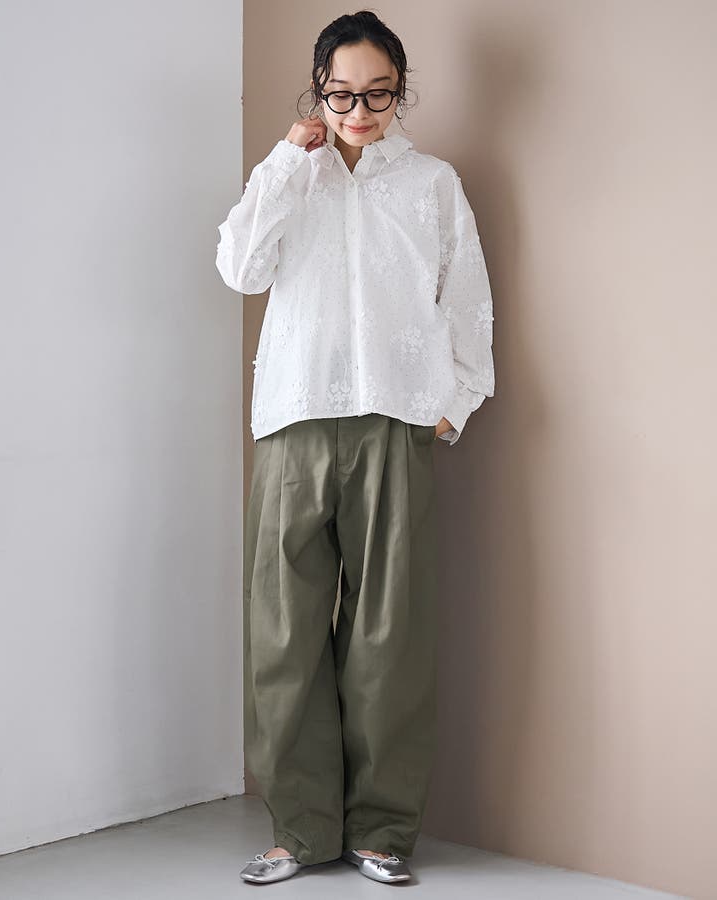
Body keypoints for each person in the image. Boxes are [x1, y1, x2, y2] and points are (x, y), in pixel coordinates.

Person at [215, 9, 494, 886]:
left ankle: (380, 831)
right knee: (283, 634)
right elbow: (240, 269)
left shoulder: (432, 184)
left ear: (400, 92)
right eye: (341, 93)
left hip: (395, 419)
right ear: (318, 90)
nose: (359, 111)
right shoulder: (290, 176)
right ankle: (301, 832)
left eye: (378, 93)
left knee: (390, 636)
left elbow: (467, 297)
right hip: (294, 416)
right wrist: (283, 162)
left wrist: (452, 405)